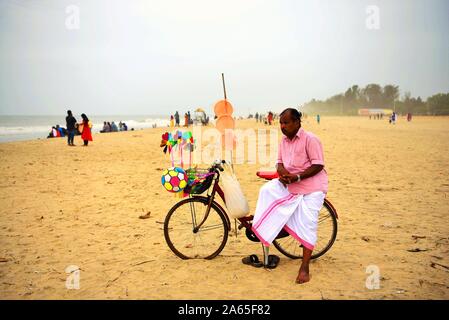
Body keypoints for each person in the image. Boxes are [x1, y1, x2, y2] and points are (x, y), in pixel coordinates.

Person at [247, 108, 328, 284]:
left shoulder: (311, 139)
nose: (282, 126)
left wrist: (297, 177)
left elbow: (318, 165)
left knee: (308, 221)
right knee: (266, 191)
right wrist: (283, 174)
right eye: (281, 123)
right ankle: (270, 229)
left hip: (311, 186)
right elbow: (279, 164)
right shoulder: (283, 141)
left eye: (286, 122)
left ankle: (305, 267)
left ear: (297, 122)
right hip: (289, 183)